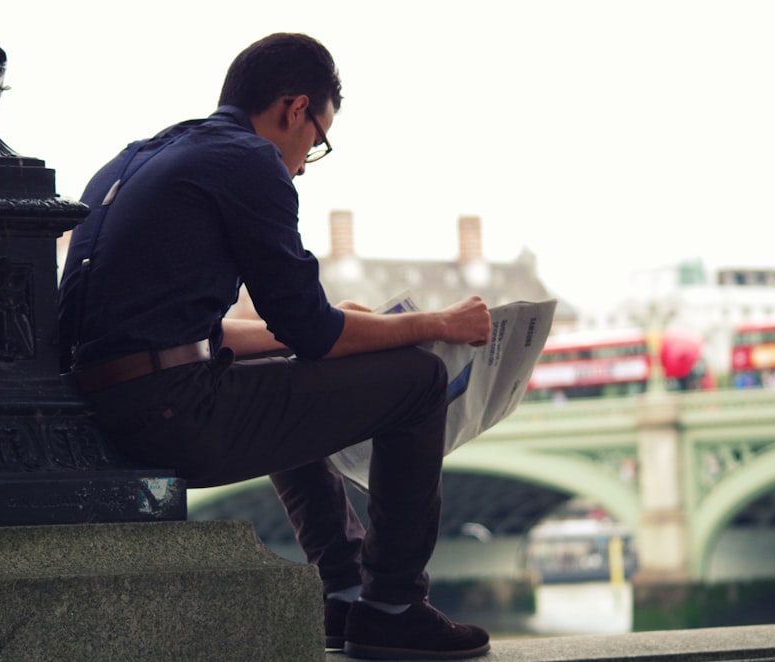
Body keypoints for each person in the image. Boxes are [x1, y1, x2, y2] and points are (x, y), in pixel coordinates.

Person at [58, 33, 492, 660]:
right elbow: (315, 334)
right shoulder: (248, 162)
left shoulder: (140, 157)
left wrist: (325, 323)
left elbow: (209, 335)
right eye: (315, 143)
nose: (300, 164)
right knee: (420, 379)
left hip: (120, 403)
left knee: (275, 360)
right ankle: (394, 606)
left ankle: (342, 591)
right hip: (173, 414)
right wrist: (437, 324)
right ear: (295, 109)